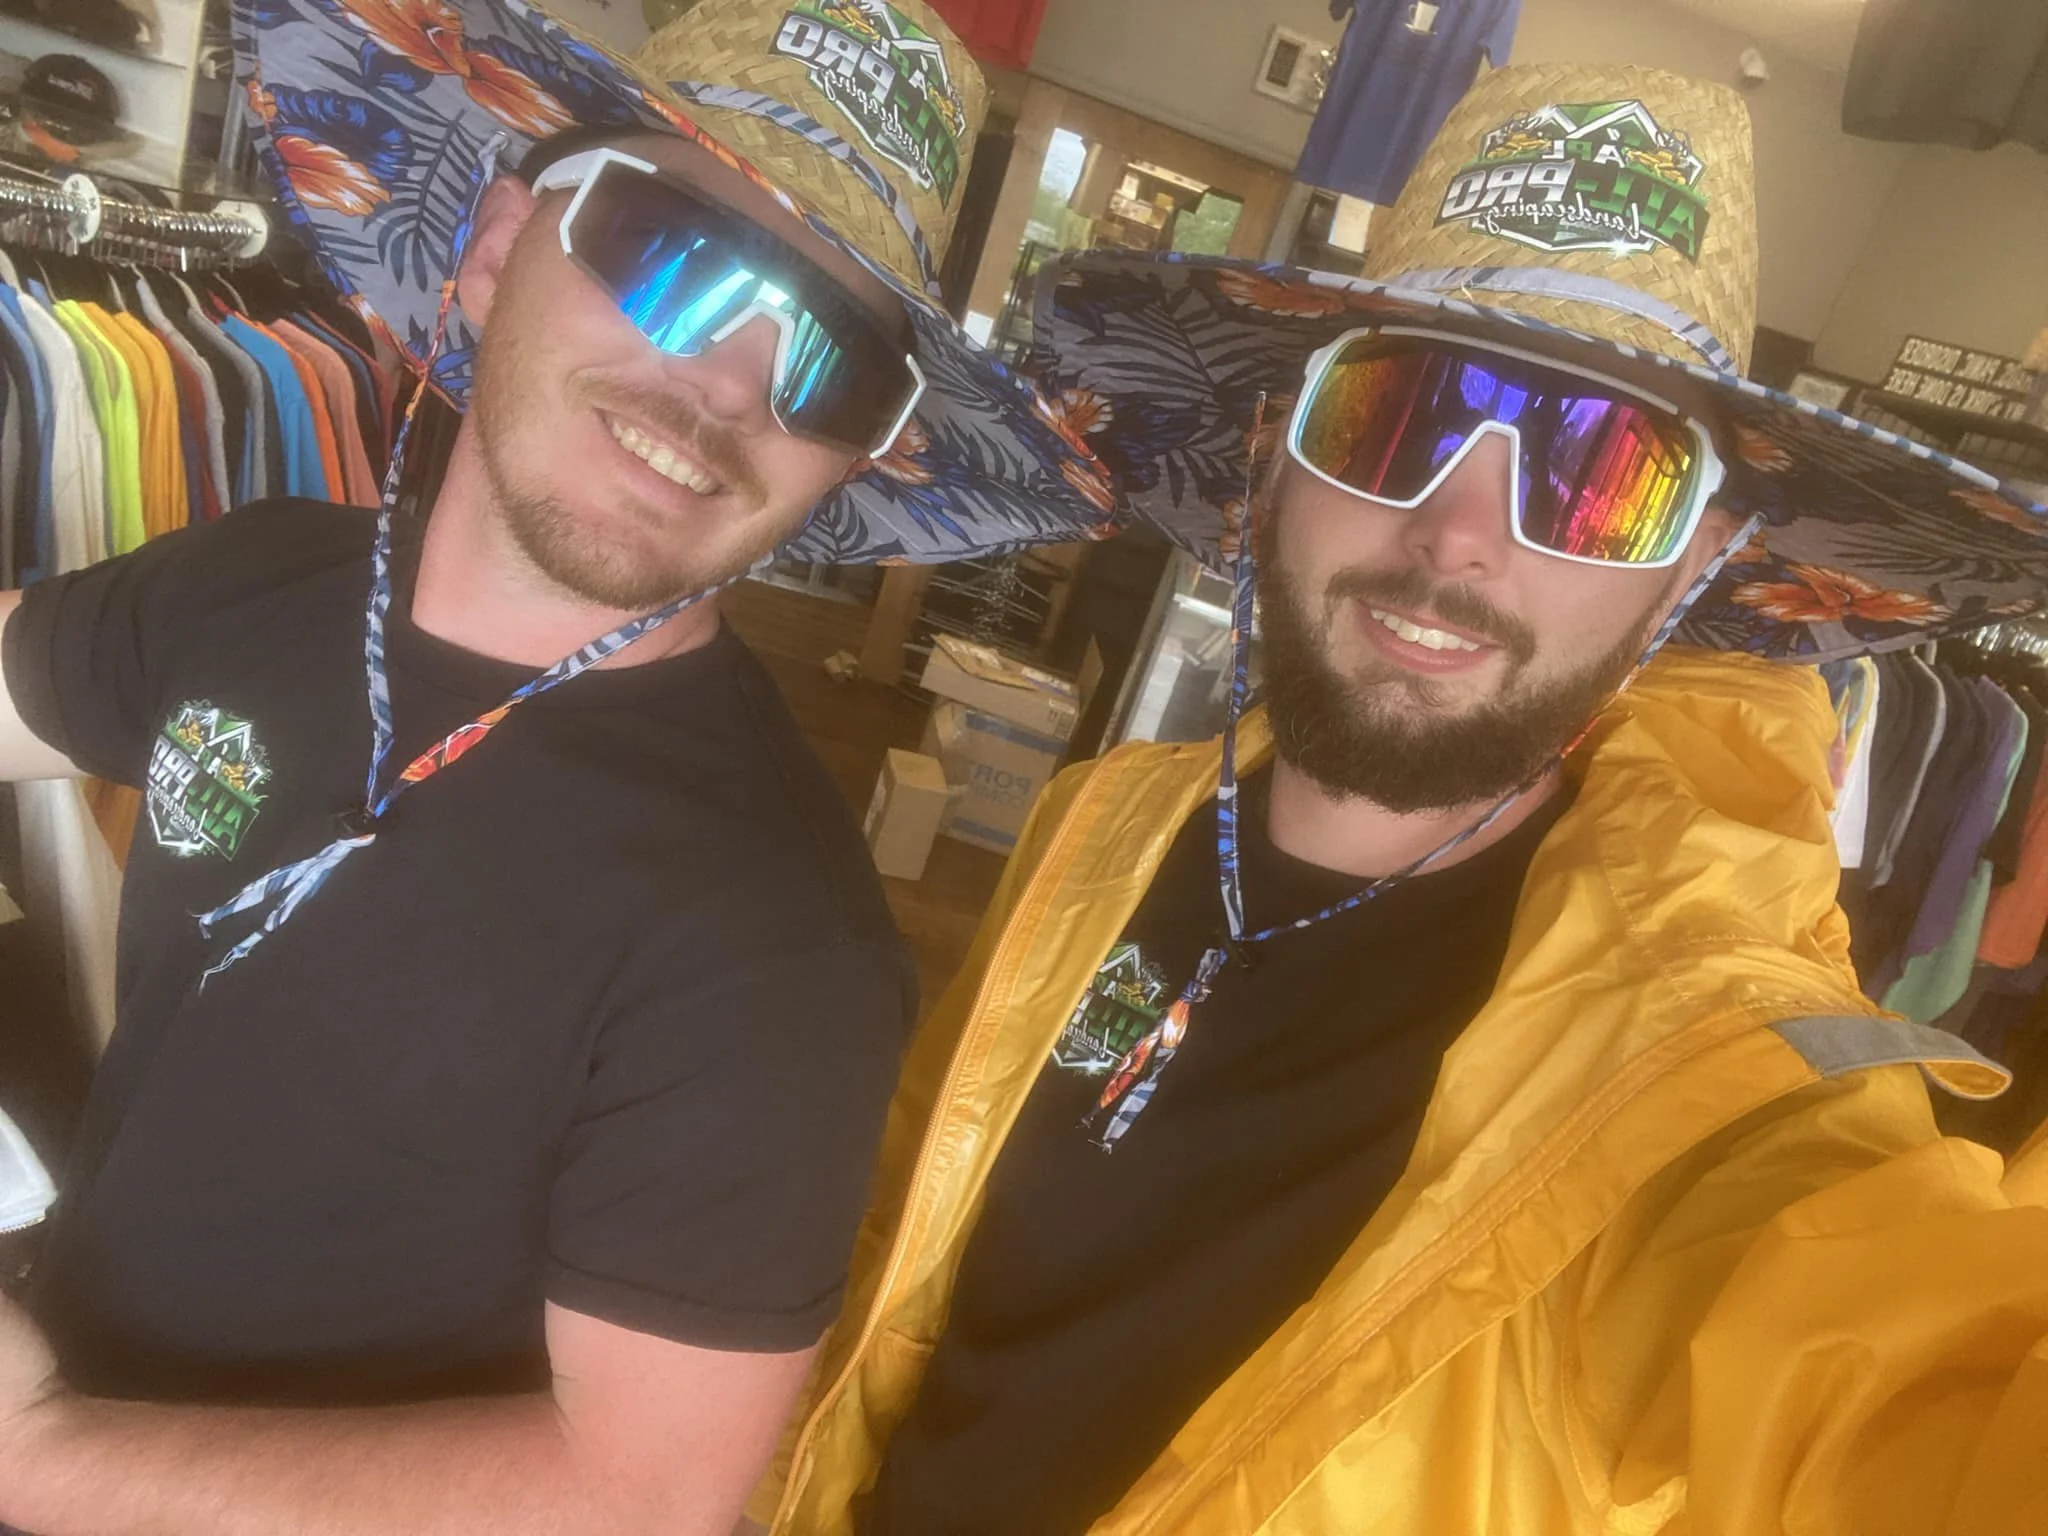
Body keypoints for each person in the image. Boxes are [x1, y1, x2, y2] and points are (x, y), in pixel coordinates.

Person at [757, 65, 2048, 1535]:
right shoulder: (1109, 823)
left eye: (1599, 472)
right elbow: (903, 1264)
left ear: (1686, 572)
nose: (1458, 534)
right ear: (1268, 466)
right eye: (1395, 415)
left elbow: (1912, 1392)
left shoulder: (1710, 1098)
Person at [0, 0, 1114, 1530]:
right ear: (495, 239)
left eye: (828, 359)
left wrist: (50, 1461)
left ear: (851, 456)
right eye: (673, 253)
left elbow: (640, 1495)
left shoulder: (780, 949)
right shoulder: (258, 585)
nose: (728, 382)